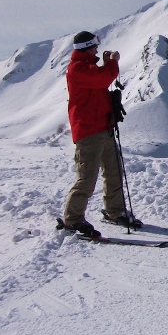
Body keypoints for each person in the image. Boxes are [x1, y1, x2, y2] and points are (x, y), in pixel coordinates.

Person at [59, 31, 139, 237]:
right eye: (94, 46)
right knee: (87, 177)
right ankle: (73, 219)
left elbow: (98, 79)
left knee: (114, 172)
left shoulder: (87, 67)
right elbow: (102, 80)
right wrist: (112, 63)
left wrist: (104, 64)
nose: (97, 49)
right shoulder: (77, 69)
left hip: (104, 127)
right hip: (88, 131)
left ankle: (115, 211)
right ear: (87, 47)